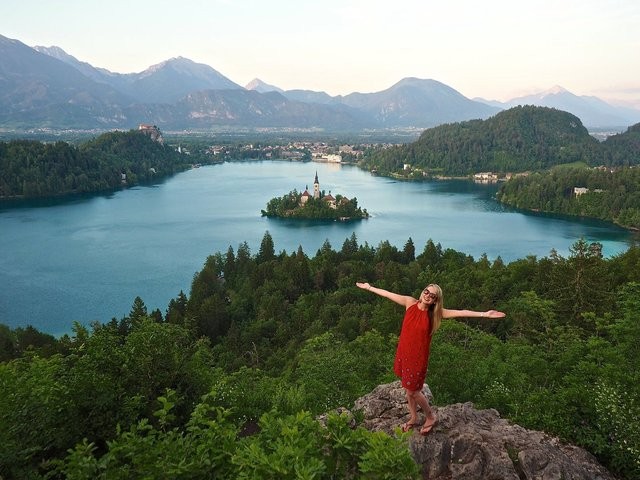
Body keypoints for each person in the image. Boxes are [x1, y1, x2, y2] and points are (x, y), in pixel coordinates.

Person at [356, 281, 505, 435]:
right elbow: (388, 294)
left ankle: (430, 416)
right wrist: (369, 288)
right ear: (423, 291)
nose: (428, 296)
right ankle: (413, 417)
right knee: (408, 389)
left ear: (435, 300)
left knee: (414, 391)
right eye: (426, 291)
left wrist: (485, 314)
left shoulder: (435, 314)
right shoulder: (410, 303)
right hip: (404, 353)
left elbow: (461, 311)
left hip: (417, 358)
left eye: (432, 295)